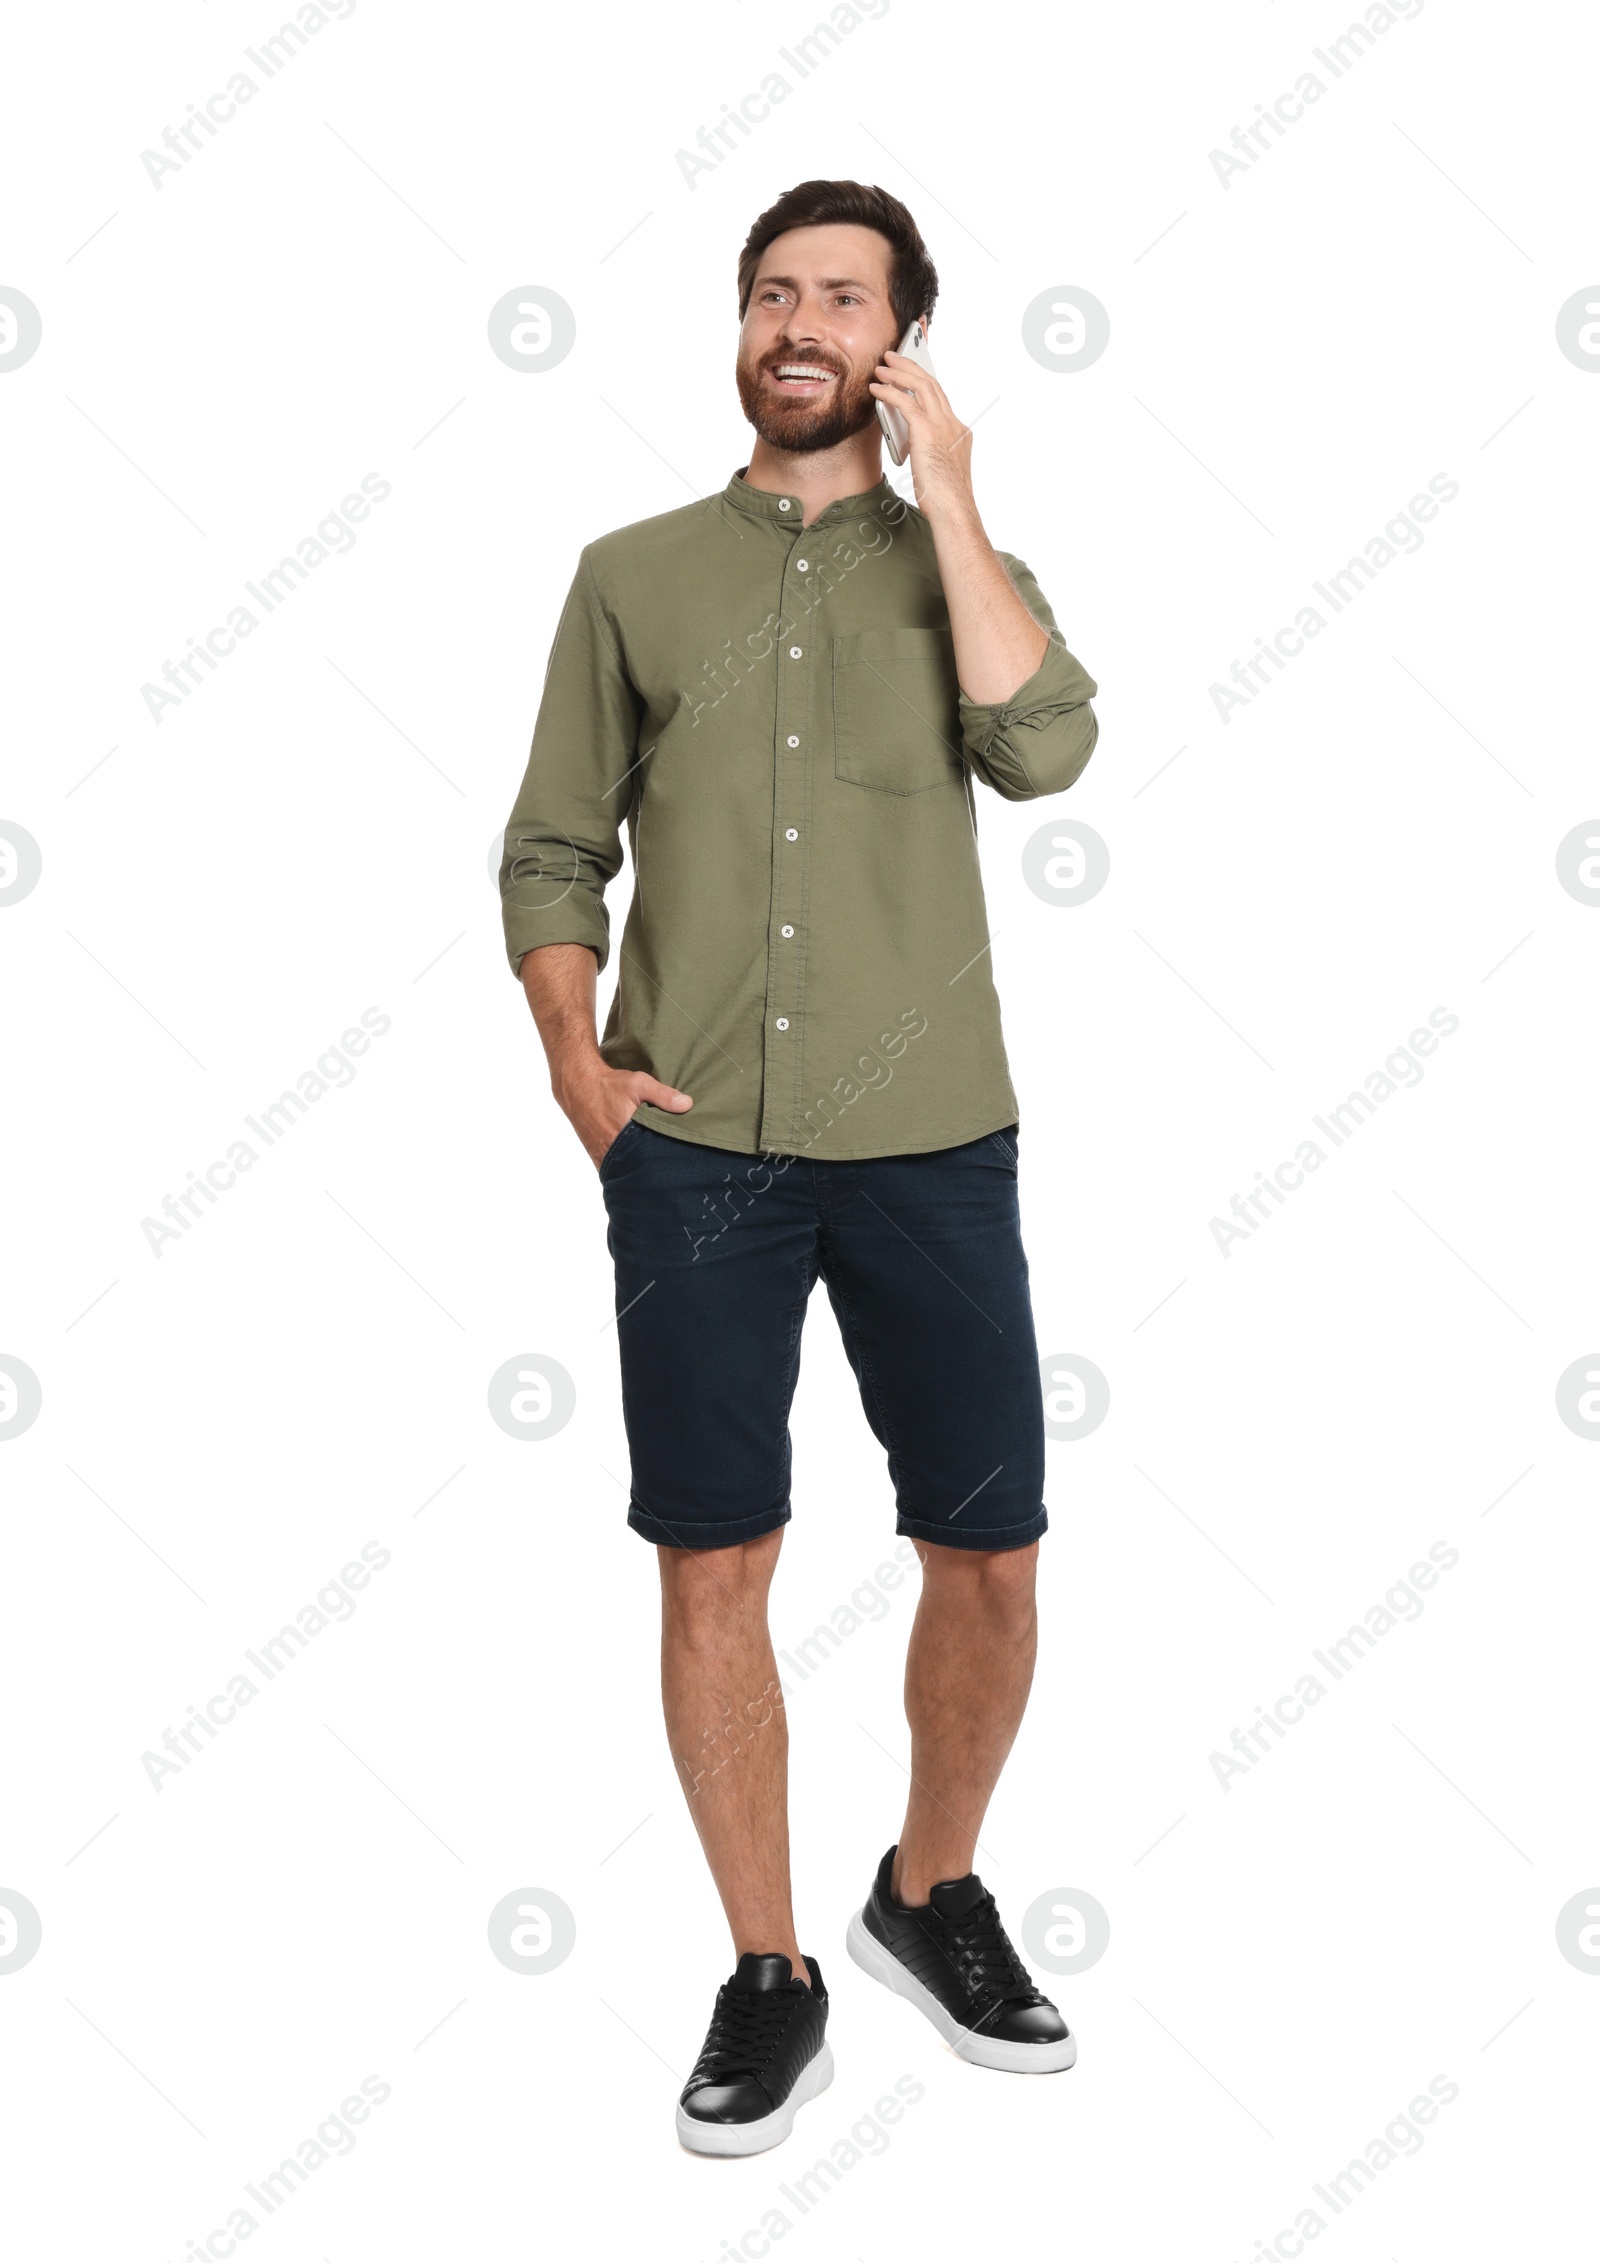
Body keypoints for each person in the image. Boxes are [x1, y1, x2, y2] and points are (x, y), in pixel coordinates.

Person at [499, 178, 1099, 2156]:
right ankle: (771, 1969)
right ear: (738, 326)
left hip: (933, 1146)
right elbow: (549, 845)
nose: (798, 321)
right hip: (697, 1161)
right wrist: (578, 1066)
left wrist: (953, 491)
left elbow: (1041, 754)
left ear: (898, 337)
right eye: (773, 291)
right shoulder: (631, 572)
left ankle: (926, 1892)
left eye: (841, 296)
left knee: (990, 1553)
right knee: (714, 1556)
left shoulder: (963, 566)